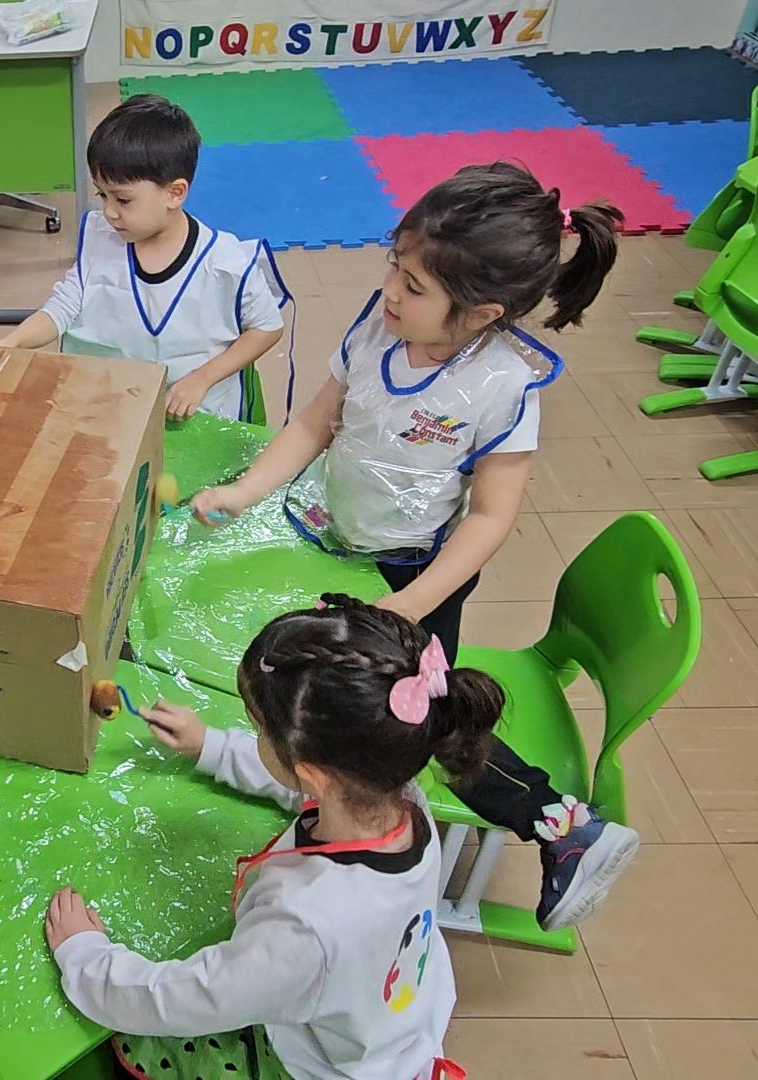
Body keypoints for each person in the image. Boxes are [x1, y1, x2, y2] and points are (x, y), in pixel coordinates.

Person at [191, 162, 635, 932]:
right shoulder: (382, 327)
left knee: (415, 728)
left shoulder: (501, 387)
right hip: (349, 544)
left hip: (416, 576)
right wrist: (244, 490)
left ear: (480, 313)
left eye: (414, 284)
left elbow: (489, 519)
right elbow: (313, 423)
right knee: (332, 693)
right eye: (393, 264)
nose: (390, 290)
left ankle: (566, 827)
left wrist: (409, 605)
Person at [48, 596, 496, 1080]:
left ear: (311, 773)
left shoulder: (303, 929)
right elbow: (310, 787)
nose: (256, 737)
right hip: (391, 1024)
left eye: (258, 729)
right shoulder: (403, 799)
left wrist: (85, 958)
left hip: (325, 1066)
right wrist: (212, 747)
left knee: (143, 1043)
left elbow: (189, 997)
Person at [0, 95, 286, 423]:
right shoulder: (100, 237)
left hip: (195, 416)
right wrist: (14, 341)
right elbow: (63, 307)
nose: (109, 211)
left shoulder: (226, 264)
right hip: (110, 407)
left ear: (175, 193)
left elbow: (267, 327)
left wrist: (202, 379)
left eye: (123, 200)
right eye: (102, 194)